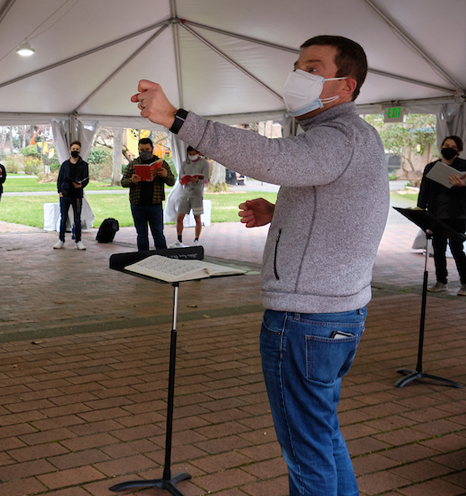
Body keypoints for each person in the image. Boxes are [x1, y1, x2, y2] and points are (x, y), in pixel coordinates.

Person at [133, 35, 386, 495]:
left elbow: (270, 157)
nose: (296, 76)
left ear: (344, 86)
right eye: (296, 65)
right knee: (322, 437)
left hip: (306, 320)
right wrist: (280, 213)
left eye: (311, 68)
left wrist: (176, 119)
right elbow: (338, 202)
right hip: (335, 315)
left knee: (307, 455)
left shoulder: (337, 136)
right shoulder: (352, 138)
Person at [417, 135, 466, 295]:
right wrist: (420, 209)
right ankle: (441, 281)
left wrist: (461, 186)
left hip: (457, 215)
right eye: (446, 145)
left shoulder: (464, 167)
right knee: (438, 249)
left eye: (453, 147)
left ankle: (465, 283)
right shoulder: (431, 167)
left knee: (457, 249)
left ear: (459, 151)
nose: (448, 148)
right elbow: (424, 191)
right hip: (436, 215)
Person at [121, 137, 175, 251]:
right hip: (138, 204)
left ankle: (163, 258)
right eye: (141, 150)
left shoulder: (161, 163)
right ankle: (143, 258)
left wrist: (165, 175)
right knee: (141, 234)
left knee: (158, 233)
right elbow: (123, 182)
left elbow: (172, 182)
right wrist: (132, 180)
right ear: (138, 150)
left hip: (155, 203)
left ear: (152, 149)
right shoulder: (133, 164)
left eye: (147, 149)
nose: (144, 152)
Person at [54, 140, 89, 250]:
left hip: (77, 195)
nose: (75, 151)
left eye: (77, 149)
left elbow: (86, 179)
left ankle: (78, 241)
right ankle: (61, 240)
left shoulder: (84, 165)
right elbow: (59, 178)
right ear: (70, 150)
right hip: (65, 194)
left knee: (77, 218)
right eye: (73, 149)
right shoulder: (65, 164)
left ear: (80, 151)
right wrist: (59, 191)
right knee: (63, 218)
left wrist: (81, 185)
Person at [173, 146, 210, 247]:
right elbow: (180, 178)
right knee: (180, 217)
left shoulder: (204, 163)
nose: (192, 156)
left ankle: (196, 240)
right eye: (190, 154)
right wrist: (184, 180)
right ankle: (179, 240)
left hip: (197, 195)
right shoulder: (185, 164)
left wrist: (198, 180)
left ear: (198, 153)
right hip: (186, 194)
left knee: (197, 218)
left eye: (194, 154)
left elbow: (206, 180)